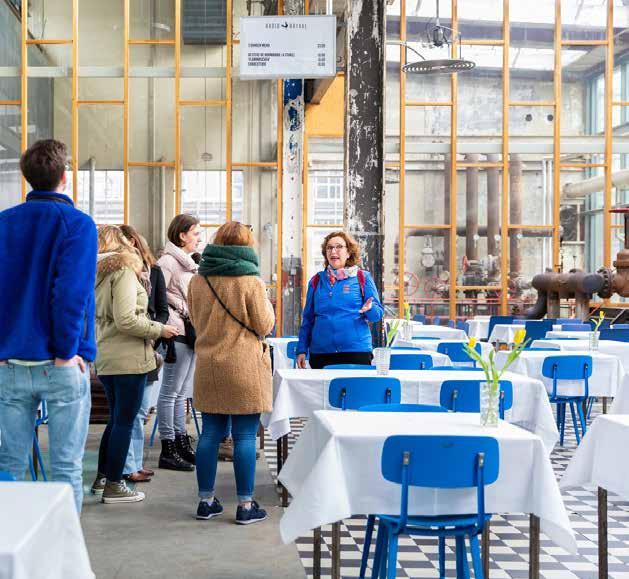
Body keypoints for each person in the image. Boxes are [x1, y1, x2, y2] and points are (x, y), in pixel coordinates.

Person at [0, 139, 97, 512]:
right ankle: (62, 546)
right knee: (66, 466)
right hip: (59, 362)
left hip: (11, 362)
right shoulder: (78, 225)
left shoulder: (5, 223)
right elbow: (71, 294)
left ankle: (9, 542)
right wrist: (66, 352)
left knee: (10, 463)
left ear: (27, 176)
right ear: (64, 176)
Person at [188, 221, 274, 524]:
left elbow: (195, 321)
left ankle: (206, 501)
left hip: (209, 365)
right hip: (244, 366)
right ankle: (245, 506)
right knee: (245, 436)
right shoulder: (251, 281)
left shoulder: (198, 281)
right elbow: (265, 324)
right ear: (247, 246)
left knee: (210, 434)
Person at [91, 226, 178, 503]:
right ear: (122, 244)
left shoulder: (97, 272)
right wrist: (160, 329)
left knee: (116, 420)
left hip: (107, 354)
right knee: (124, 423)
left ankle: (103, 477)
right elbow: (126, 319)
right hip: (128, 357)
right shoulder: (123, 271)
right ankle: (114, 485)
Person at [119, 225, 169, 483]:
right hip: (127, 346)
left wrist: (154, 333)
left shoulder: (155, 272)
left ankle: (135, 463)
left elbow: (162, 309)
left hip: (149, 345)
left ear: (134, 241)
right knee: (129, 413)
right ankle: (128, 466)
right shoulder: (119, 272)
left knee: (140, 411)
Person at [296, 231, 384, 369]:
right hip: (321, 353)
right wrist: (301, 349)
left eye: (339, 247)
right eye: (329, 248)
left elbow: (377, 315)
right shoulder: (316, 280)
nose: (333, 251)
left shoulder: (362, 277)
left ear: (348, 252)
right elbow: (308, 319)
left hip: (356, 352)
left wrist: (370, 308)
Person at [156, 214, 201, 471]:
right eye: (195, 233)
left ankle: (181, 441)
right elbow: (156, 293)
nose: (199, 238)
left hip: (190, 330)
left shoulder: (189, 264)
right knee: (170, 392)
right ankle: (168, 448)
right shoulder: (167, 261)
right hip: (176, 331)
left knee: (182, 393)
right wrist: (182, 307)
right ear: (182, 235)